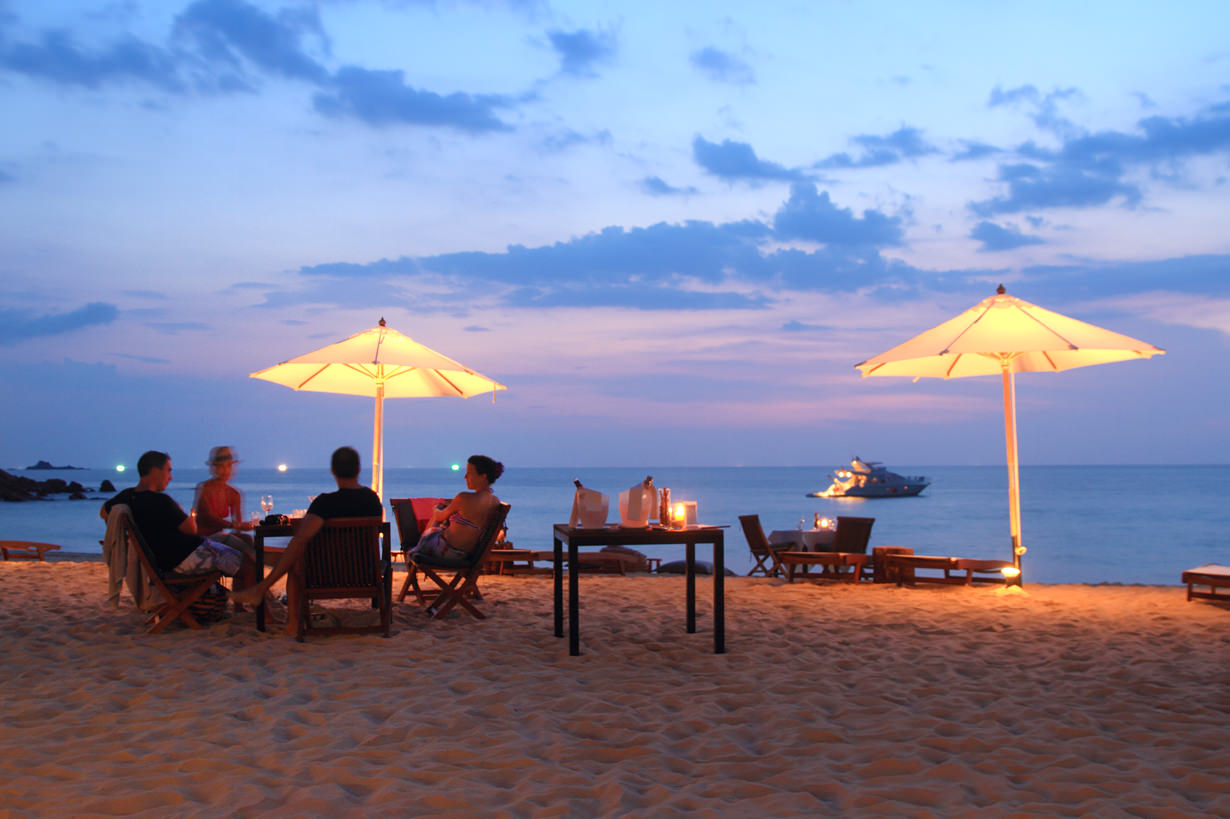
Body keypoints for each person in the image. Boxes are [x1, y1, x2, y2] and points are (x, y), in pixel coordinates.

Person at [231, 446, 383, 634]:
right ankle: (262, 589)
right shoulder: (372, 500)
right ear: (359, 469)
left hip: (323, 576)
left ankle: (291, 621)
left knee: (296, 560)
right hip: (365, 572)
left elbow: (301, 538)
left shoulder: (325, 503)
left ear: (333, 471)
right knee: (296, 555)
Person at [101, 450, 257, 590]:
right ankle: (263, 616)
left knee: (246, 551)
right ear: (155, 472)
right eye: (168, 471)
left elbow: (104, 512)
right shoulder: (162, 501)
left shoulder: (127, 496)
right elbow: (191, 529)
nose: (170, 477)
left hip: (169, 559)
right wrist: (181, 510)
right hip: (186, 558)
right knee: (250, 566)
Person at [412, 455, 503, 562]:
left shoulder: (464, 497)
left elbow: (439, 517)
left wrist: (436, 509)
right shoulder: (495, 501)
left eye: (469, 473)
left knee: (437, 519)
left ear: (483, 476)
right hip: (466, 555)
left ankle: (416, 551)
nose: (465, 477)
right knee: (443, 522)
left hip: (445, 552)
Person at [193, 446, 256, 559]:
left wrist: (246, 525)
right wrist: (236, 525)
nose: (225, 470)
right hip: (203, 538)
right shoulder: (204, 488)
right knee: (247, 549)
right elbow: (207, 517)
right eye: (221, 466)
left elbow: (237, 525)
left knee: (247, 539)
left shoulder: (234, 493)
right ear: (214, 468)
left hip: (221, 537)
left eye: (228, 466)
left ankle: (246, 572)